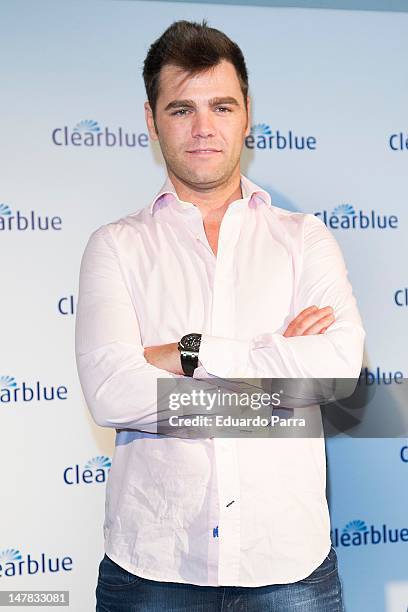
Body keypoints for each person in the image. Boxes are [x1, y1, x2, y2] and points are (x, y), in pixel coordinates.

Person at [75, 19, 365, 612]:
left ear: (247, 114)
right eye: (182, 109)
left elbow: (336, 374)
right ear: (152, 121)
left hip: (288, 566)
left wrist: (191, 352)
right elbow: (111, 393)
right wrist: (274, 378)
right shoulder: (115, 246)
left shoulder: (305, 239)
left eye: (221, 106)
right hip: (152, 568)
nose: (204, 128)